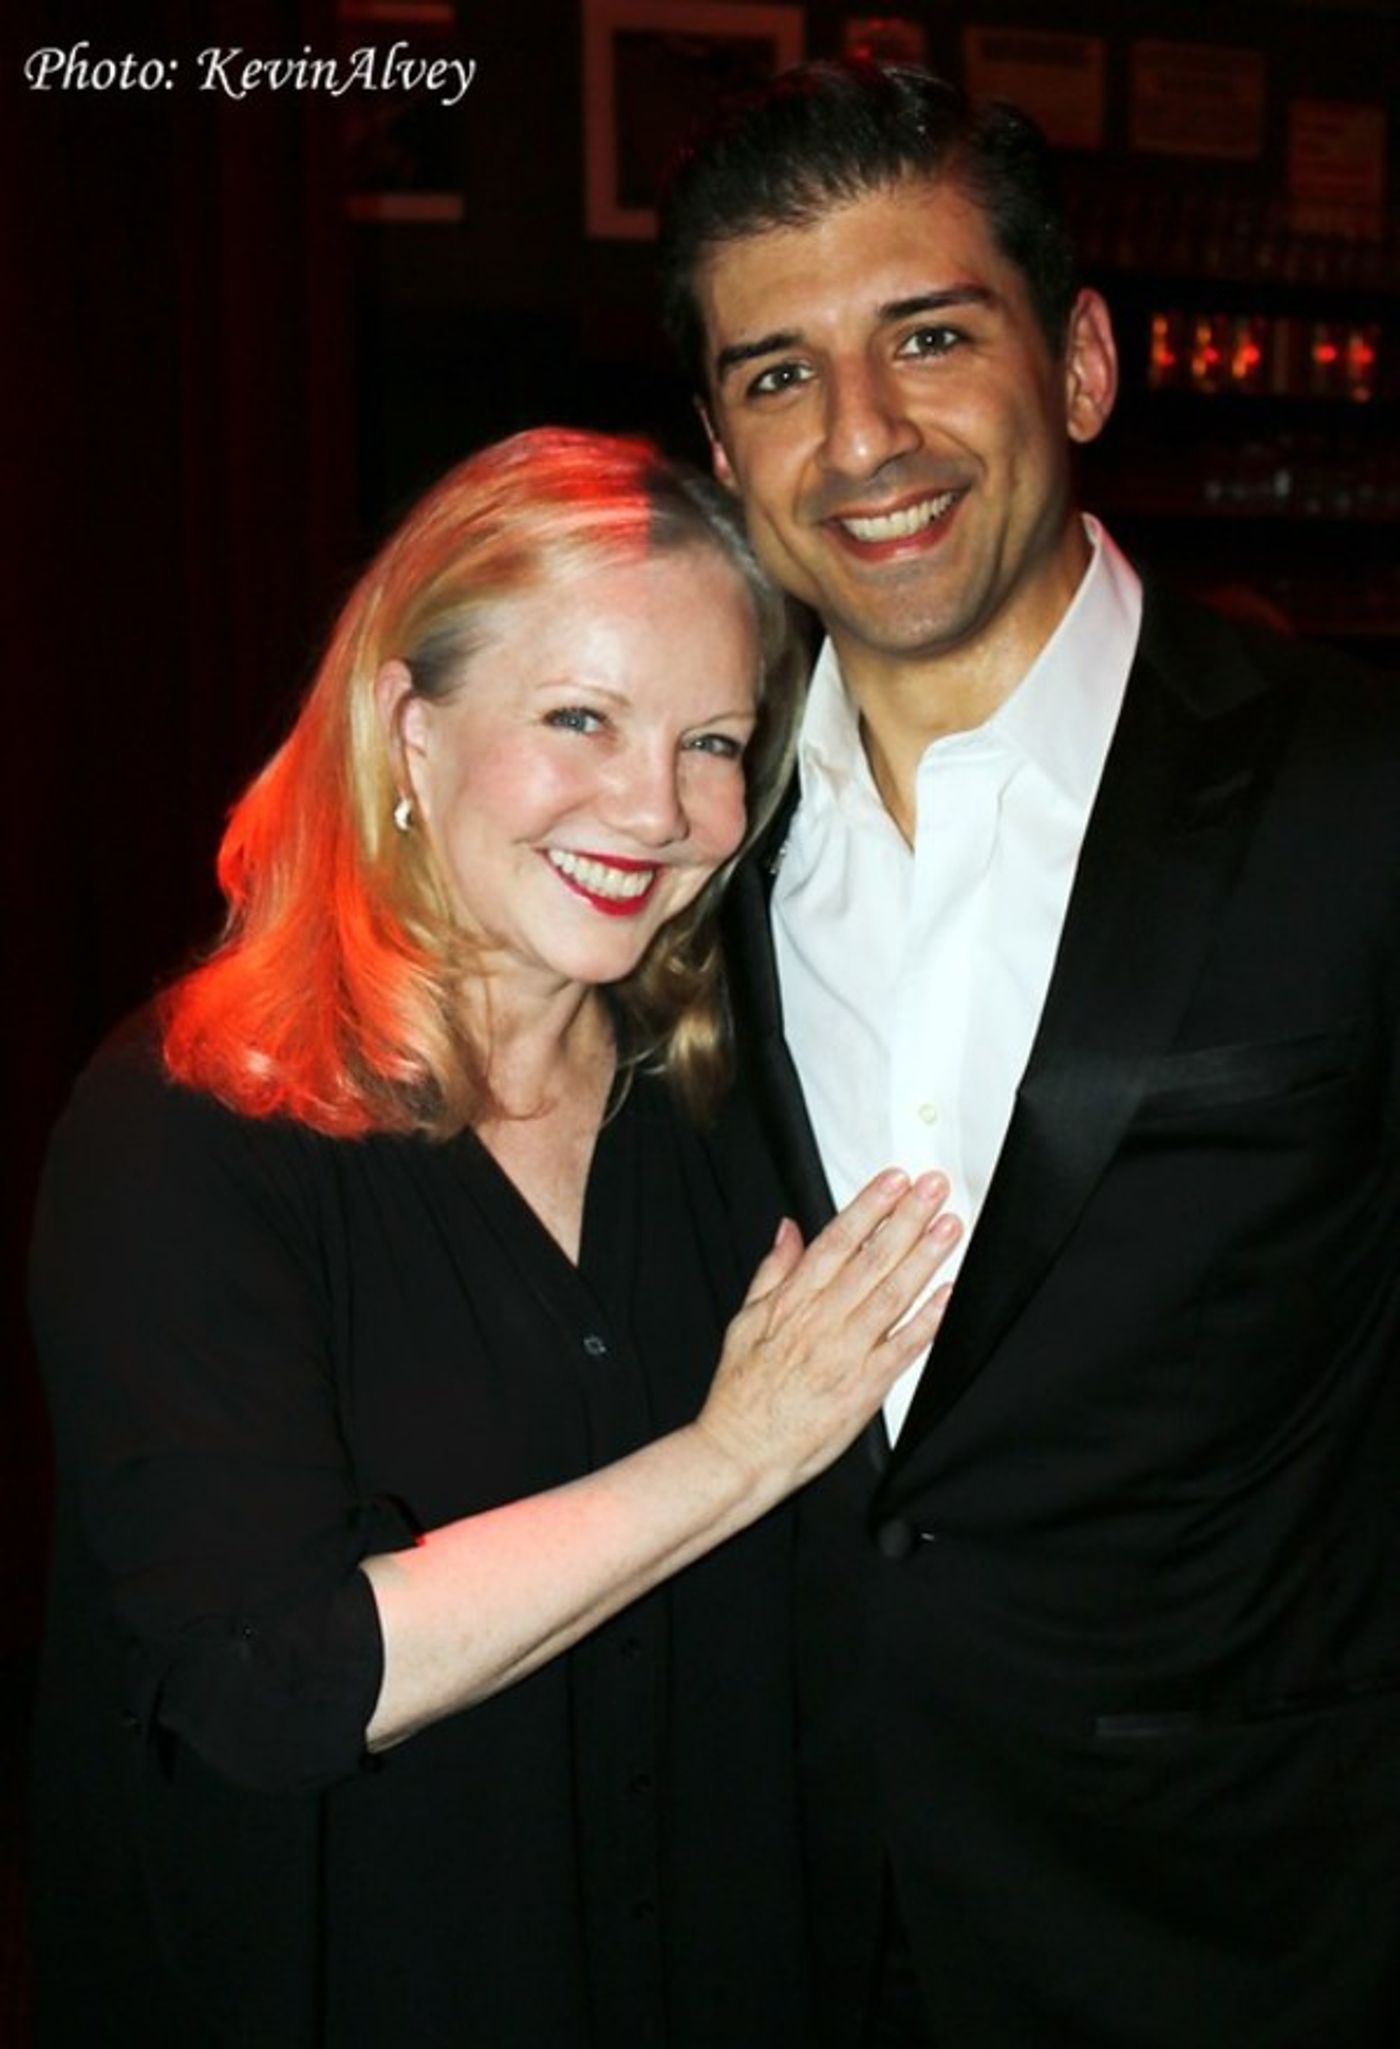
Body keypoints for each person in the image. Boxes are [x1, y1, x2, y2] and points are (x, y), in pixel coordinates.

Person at [28, 427, 964, 2048]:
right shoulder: (187, 1126)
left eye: (714, 739)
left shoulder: (736, 1100)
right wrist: (732, 1455)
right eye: (580, 719)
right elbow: (271, 1678)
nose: (660, 810)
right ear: (409, 724)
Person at [657, 59, 1400, 2049]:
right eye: (778, 374)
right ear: (722, 453)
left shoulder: (1351, 790)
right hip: (776, 1907)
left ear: (1077, 362)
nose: (864, 438)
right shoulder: (670, 850)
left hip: (1240, 1922)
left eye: (925, 335)